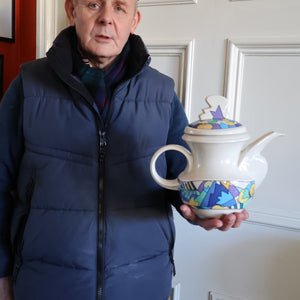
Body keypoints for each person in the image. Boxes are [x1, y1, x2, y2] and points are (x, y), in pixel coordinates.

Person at [0, 0, 249, 299]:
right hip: (46, 281)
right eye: (93, 4)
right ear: (71, 10)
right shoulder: (28, 85)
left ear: (134, 20)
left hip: (142, 280)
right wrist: (1, 271)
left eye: (120, 8)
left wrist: (204, 211)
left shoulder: (162, 93)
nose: (107, 18)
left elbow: (181, 178)